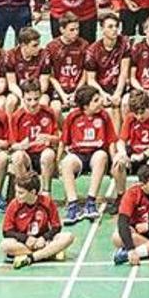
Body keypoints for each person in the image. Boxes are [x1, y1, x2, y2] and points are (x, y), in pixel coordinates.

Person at [58, 86, 115, 224]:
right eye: (96, 100)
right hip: (78, 155)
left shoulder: (104, 116)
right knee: (67, 163)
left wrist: (113, 162)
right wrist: (57, 160)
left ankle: (91, 202)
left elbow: (111, 141)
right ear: (85, 106)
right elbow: (64, 141)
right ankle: (73, 205)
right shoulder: (73, 116)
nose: (100, 101)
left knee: (101, 155)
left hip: (96, 154)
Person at [0, 172, 75, 269]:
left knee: (68, 237)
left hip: (43, 241)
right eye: (16, 192)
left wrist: (43, 238)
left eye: (21, 193)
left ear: (33, 192)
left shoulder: (47, 202)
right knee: (5, 245)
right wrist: (26, 238)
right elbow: (7, 231)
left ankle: (31, 257)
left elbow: (56, 226)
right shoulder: (14, 205)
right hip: (25, 243)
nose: (17, 195)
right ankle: (48, 253)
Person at [111, 92, 149, 197]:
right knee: (118, 163)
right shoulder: (130, 118)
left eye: (142, 112)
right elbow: (121, 141)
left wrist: (143, 155)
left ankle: (148, 197)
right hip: (133, 154)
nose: (139, 116)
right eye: (136, 113)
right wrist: (123, 153)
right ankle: (121, 196)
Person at [7, 81, 60, 194]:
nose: (33, 103)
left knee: (49, 154)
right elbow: (12, 145)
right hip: (27, 155)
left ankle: (46, 192)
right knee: (17, 156)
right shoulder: (17, 116)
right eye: (29, 100)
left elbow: (58, 139)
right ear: (23, 98)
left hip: (43, 153)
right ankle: (25, 190)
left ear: (40, 96)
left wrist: (49, 138)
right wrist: (20, 145)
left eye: (36, 99)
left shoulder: (49, 112)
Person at [84, 14, 131, 125]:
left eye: (116, 26)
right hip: (101, 89)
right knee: (109, 110)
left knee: (125, 104)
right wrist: (103, 94)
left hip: (120, 87)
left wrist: (118, 94)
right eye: (110, 27)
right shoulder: (92, 50)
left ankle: (124, 138)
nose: (115, 30)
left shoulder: (124, 44)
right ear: (102, 29)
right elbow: (91, 79)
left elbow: (124, 73)